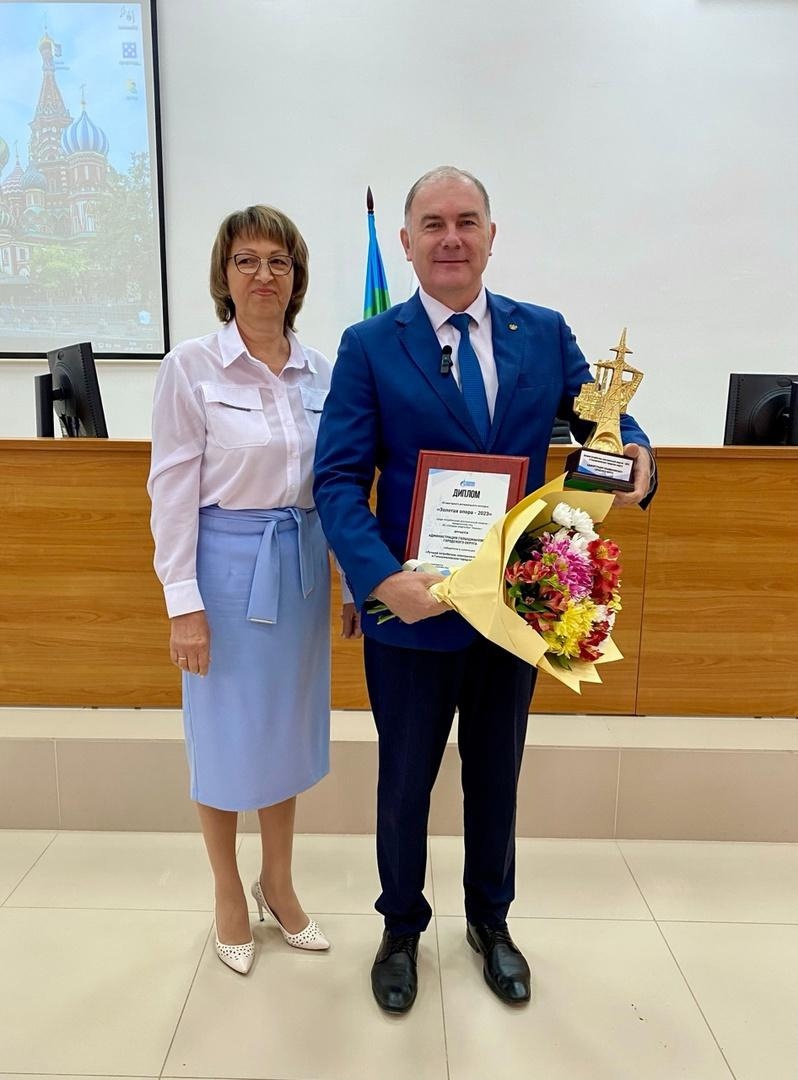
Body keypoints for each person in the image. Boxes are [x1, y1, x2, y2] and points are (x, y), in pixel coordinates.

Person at [313, 166, 656, 1012]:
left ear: (492, 236)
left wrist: (637, 457)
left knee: (496, 775)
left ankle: (490, 923)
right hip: (413, 609)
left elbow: (600, 419)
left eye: (467, 221)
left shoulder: (542, 332)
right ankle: (401, 927)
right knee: (405, 782)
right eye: (433, 224)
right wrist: (382, 578)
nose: (451, 238)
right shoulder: (369, 345)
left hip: (514, 609)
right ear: (407, 243)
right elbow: (337, 480)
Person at [148, 205, 356, 974]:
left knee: (284, 733)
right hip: (226, 575)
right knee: (225, 737)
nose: (264, 274)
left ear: (296, 277)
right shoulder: (191, 367)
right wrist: (184, 604)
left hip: (300, 568)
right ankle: (227, 890)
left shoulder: (324, 372)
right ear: (224, 275)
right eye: (247, 260)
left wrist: (348, 581)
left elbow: (336, 486)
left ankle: (279, 881)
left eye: (279, 261)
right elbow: (171, 491)